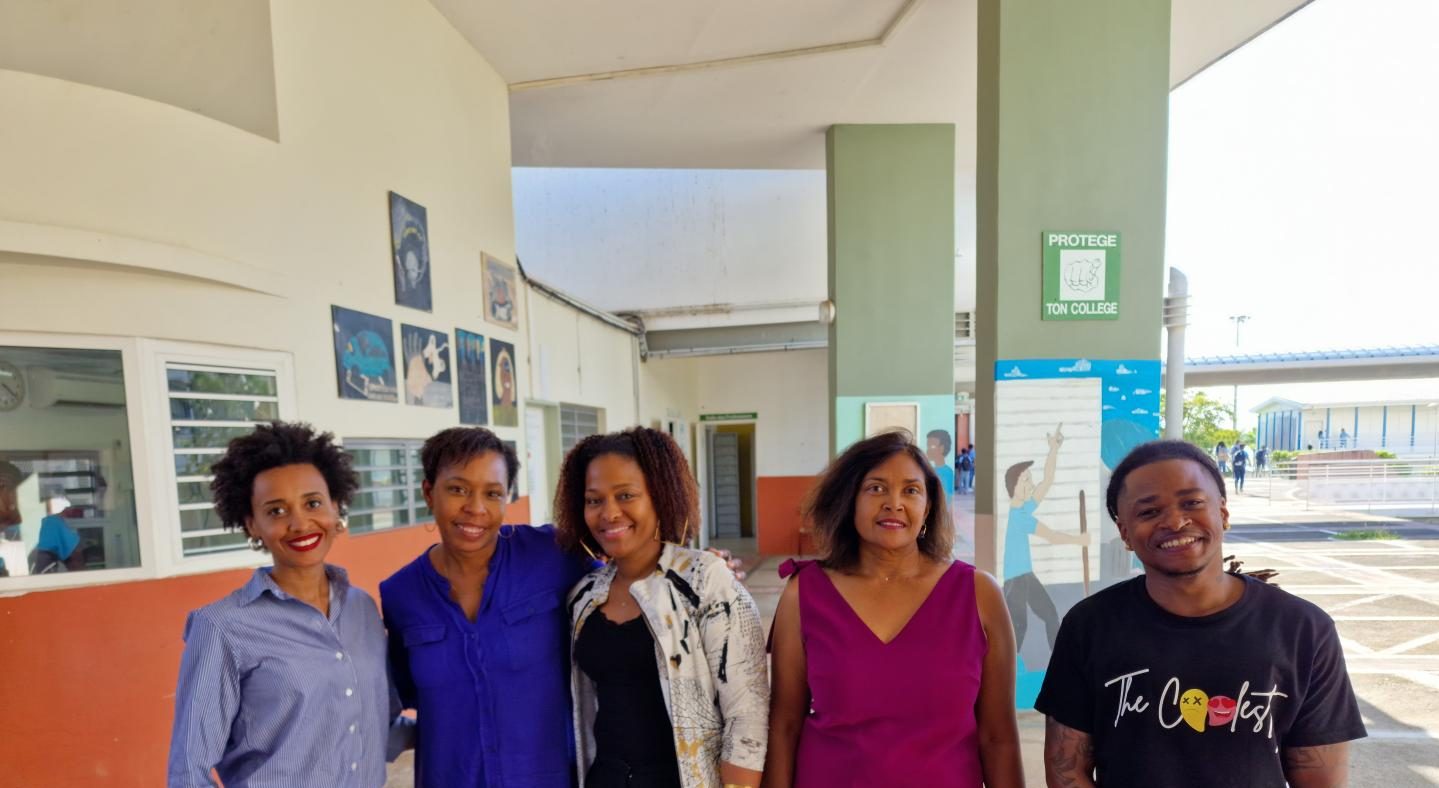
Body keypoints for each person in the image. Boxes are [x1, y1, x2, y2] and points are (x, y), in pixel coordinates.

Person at [1037, 440, 1366, 788]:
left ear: (1222, 513)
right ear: (1125, 533)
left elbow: (1320, 779)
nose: (1175, 521)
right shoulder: (1090, 626)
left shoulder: (1303, 629)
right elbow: (1066, 770)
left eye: (1192, 503)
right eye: (1149, 512)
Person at [765, 430, 1024, 787]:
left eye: (911, 490)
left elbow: (998, 738)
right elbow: (784, 725)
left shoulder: (979, 595)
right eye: (876, 488)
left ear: (927, 507)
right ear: (850, 500)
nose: (894, 503)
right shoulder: (804, 593)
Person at [168, 422, 411, 787]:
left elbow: (379, 725)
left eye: (313, 503)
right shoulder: (221, 628)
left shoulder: (361, 608)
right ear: (252, 524)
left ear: (335, 508)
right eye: (276, 511)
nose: (299, 523)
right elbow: (189, 772)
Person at [557, 427, 769, 788]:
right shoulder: (584, 596)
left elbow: (747, 713)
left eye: (626, 495)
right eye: (594, 500)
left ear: (660, 495)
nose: (609, 512)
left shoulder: (704, 580)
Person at [380, 427, 592, 787]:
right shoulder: (401, 593)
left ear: (507, 497)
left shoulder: (552, 555)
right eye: (458, 489)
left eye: (492, 493)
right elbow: (400, 694)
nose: (475, 508)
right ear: (429, 493)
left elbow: (624, 590)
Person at [1002, 425, 1090, 652]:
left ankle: (1061, 660)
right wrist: (1078, 540)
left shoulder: (1023, 508)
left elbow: (1047, 481)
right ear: (1015, 486)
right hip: (1015, 580)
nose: (1031, 485)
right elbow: (1051, 535)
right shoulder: (1019, 516)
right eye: (1026, 481)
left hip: (1026, 575)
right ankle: (1007, 667)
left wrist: (1053, 450)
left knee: (1050, 615)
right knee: (1018, 628)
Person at [925, 429, 956, 495]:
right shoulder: (931, 470)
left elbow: (948, 496)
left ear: (942, 448)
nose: (928, 450)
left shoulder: (947, 472)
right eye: (928, 446)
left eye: (932, 446)